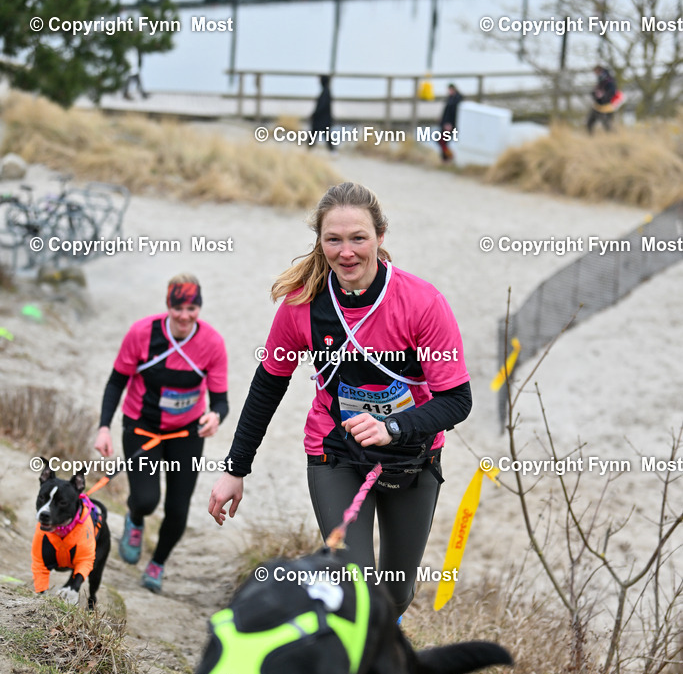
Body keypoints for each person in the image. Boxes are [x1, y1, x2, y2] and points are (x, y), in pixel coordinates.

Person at [208, 182, 471, 618]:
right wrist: (235, 468)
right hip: (336, 453)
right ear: (320, 242)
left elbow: (457, 400)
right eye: (333, 239)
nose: (346, 252)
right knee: (356, 589)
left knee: (395, 595)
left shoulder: (422, 303)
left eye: (358, 238)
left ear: (380, 238)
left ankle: (376, 647)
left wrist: (392, 427)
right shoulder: (301, 307)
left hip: (412, 455)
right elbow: (268, 385)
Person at [95, 274, 228, 593]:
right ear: (168, 305)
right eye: (178, 307)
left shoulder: (212, 343)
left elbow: (221, 401)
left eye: (192, 307)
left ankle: (158, 563)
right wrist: (104, 427)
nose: (185, 315)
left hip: (187, 435)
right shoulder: (142, 333)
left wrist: (215, 417)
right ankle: (135, 518)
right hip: (142, 428)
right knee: (145, 499)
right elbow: (116, 382)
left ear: (200, 307)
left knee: (178, 509)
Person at [587, 64, 621, 133]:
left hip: (606, 105)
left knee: (606, 125)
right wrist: (594, 94)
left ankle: (614, 138)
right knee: (590, 123)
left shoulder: (608, 79)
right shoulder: (601, 79)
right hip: (598, 104)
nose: (595, 74)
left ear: (599, 70)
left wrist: (604, 97)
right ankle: (591, 138)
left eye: (595, 72)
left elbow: (612, 91)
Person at [438, 83, 463, 162]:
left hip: (449, 125)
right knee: (443, 142)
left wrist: (450, 124)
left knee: (442, 141)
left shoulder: (457, 100)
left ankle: (450, 156)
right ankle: (446, 158)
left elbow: (454, 114)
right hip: (445, 123)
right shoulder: (450, 98)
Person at [310, 74, 334, 150]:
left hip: (322, 119)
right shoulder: (326, 92)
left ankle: (309, 149)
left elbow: (322, 106)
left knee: (317, 134)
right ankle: (309, 149)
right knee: (321, 134)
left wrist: (315, 113)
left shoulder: (325, 93)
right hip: (323, 119)